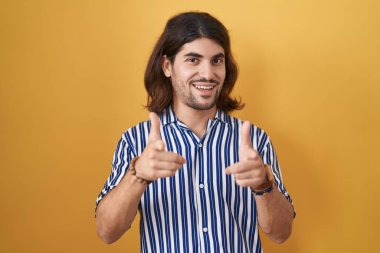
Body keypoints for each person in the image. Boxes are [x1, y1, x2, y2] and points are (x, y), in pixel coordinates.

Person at [95, 11, 295, 252]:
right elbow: (106, 232)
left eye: (216, 61)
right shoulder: (135, 141)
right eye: (193, 60)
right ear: (167, 66)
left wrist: (263, 186)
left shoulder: (254, 141)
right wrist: (138, 176)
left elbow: (281, 233)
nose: (208, 74)